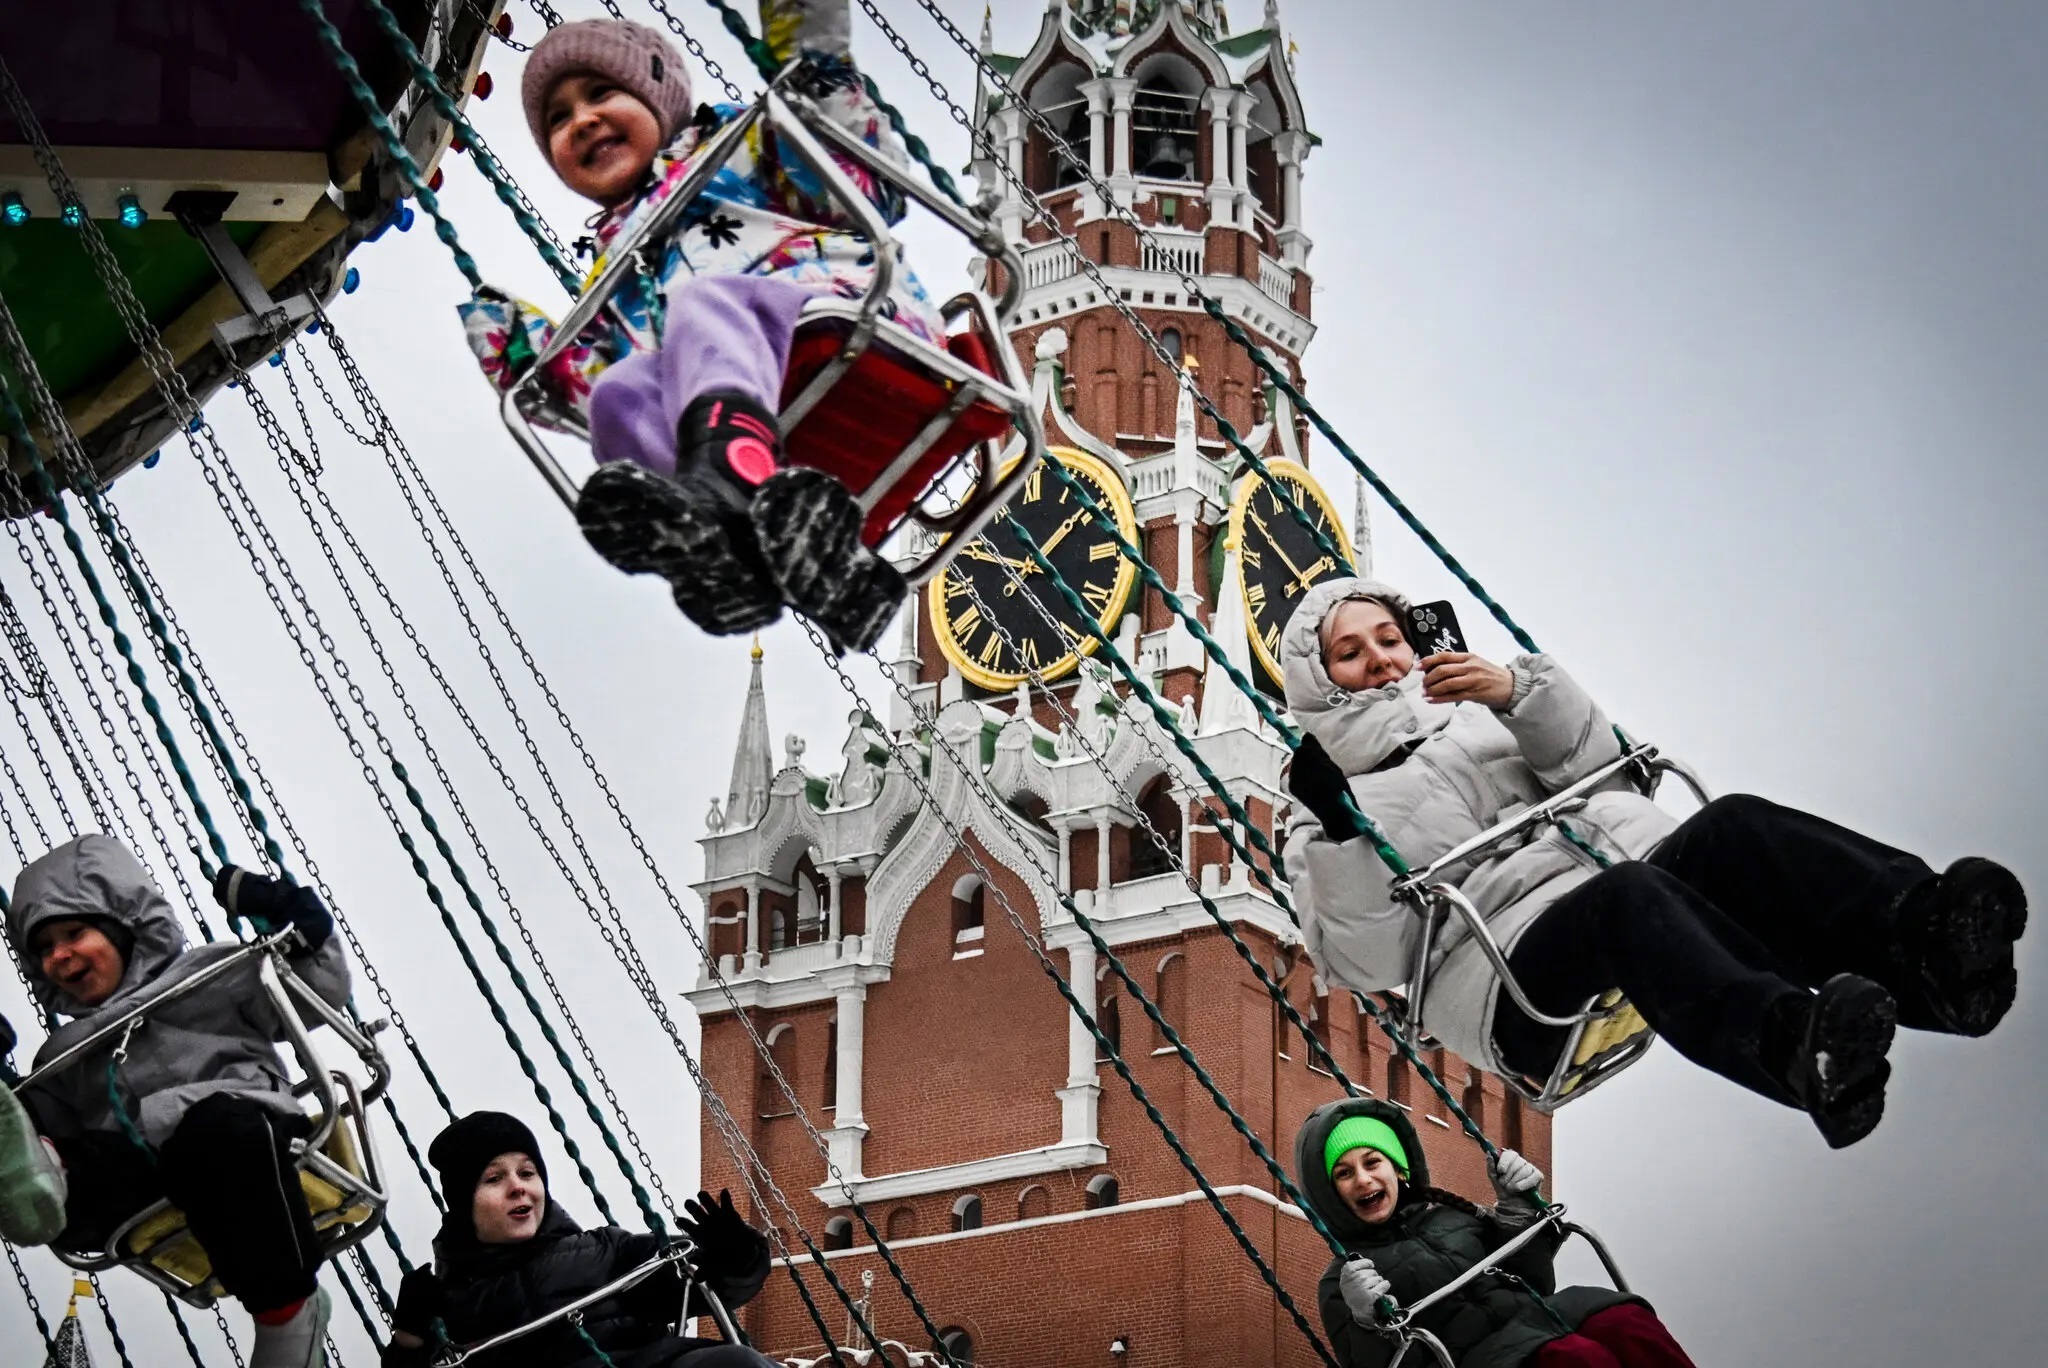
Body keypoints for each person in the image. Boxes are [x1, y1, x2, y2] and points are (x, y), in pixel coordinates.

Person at [1281, 578, 2026, 1148]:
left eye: (1388, 638)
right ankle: (1796, 1046)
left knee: (1734, 825)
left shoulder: (1477, 711)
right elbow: (1365, 960)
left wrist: (1520, 695)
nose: (1379, 659)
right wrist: (1342, 830)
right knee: (1627, 897)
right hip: (1508, 973)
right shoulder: (1323, 806)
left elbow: (1604, 774)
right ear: (1322, 684)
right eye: (1350, 653)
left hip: (1621, 872)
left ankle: (1932, 947)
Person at [462, 3, 945, 652]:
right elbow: (607, 391)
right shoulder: (613, 275)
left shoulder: (739, 149)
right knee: (620, 394)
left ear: (658, 94)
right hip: (752, 398)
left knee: (702, 305)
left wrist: (811, 67)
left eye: (601, 93)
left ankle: (730, 487)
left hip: (844, 319)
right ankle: (747, 548)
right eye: (558, 119)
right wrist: (529, 362)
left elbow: (854, 177)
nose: (582, 120)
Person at [0, 834, 348, 1368]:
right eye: (43, 949)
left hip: (236, 1132)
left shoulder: (210, 974)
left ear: (124, 927)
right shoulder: (63, 1053)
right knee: (53, 1138)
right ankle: (36, 1184)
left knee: (217, 1131)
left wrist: (297, 923)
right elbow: (50, 1119)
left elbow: (316, 993)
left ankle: (288, 1318)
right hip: (139, 1171)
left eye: (74, 933)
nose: (58, 956)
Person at [1296, 1098, 1698, 1368]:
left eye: (1372, 1162)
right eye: (1344, 1174)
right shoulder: (1345, 1280)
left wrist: (1516, 1210)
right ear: (1331, 1194)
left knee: (1623, 1321)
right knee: (1574, 1359)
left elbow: (1534, 1278)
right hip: (1477, 1357)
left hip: (1541, 1317)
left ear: (1398, 1170)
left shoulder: (1451, 1216)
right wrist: (1367, 1320)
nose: (1363, 1180)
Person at [380, 1111, 773, 1368]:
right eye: (494, 1179)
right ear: (464, 1202)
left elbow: (709, 1283)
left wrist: (738, 1255)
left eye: (528, 1173)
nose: (518, 1187)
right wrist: (409, 1338)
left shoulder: (604, 1251)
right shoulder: (448, 1303)